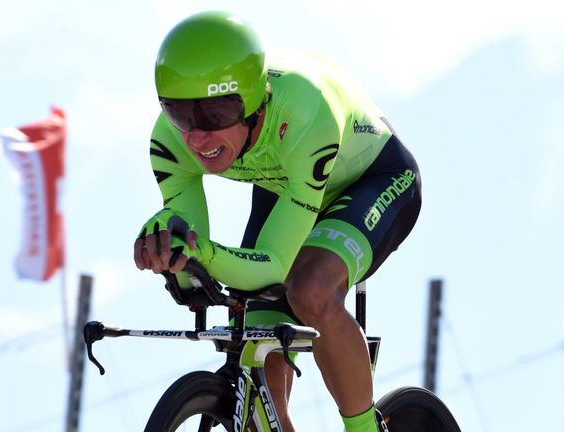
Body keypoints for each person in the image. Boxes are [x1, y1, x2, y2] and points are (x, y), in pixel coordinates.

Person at [133, 11, 422, 432]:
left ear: (254, 102)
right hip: (287, 184)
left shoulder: (303, 113)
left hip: (372, 177)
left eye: (216, 114)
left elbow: (270, 264)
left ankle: (363, 428)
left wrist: (203, 254)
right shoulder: (170, 139)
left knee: (310, 289)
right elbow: (193, 248)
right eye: (180, 114)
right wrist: (171, 255)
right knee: (256, 345)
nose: (197, 137)